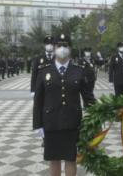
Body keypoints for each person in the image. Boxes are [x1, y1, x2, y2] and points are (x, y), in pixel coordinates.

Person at [33, 33, 95, 176]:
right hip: (51, 123)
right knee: (54, 160)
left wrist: (101, 113)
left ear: (70, 48)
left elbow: (88, 98)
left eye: (65, 45)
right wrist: (37, 125)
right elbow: (38, 101)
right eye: (59, 45)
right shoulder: (44, 70)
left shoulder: (79, 70)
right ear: (54, 48)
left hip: (72, 123)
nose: (62, 48)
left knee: (70, 159)